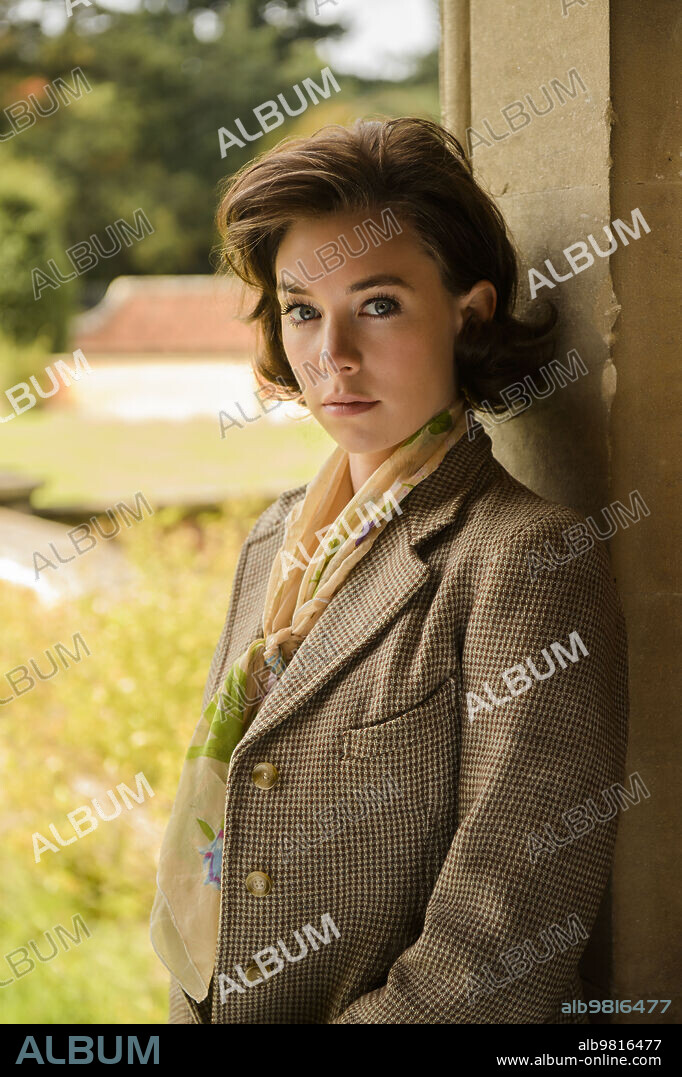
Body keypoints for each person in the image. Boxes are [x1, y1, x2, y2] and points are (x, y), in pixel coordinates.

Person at [150, 117, 628, 1024]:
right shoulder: (276, 538)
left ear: (468, 313)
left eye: (377, 305)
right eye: (302, 310)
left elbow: (501, 946)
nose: (331, 353)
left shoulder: (526, 560)